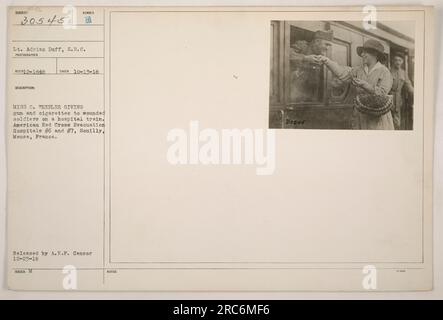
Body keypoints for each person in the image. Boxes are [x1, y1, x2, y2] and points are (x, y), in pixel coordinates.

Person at [316, 39, 394, 130]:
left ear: (375, 54)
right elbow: (342, 73)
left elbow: (382, 93)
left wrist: (365, 85)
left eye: (365, 53)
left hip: (377, 117)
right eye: (362, 52)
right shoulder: (358, 70)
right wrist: (327, 61)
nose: (362, 55)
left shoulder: (384, 72)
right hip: (360, 114)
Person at [289, 30, 333, 102]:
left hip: (310, 98)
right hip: (293, 95)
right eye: (326, 44)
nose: (327, 48)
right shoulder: (302, 45)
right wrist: (305, 58)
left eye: (329, 46)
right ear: (317, 41)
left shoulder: (321, 55)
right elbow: (285, 53)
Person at [390, 52, 414, 130]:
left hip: (398, 101)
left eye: (399, 60)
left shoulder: (403, 73)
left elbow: (409, 86)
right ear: (393, 61)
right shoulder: (388, 71)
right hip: (388, 99)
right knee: (388, 120)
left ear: (402, 62)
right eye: (396, 60)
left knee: (397, 122)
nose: (397, 62)